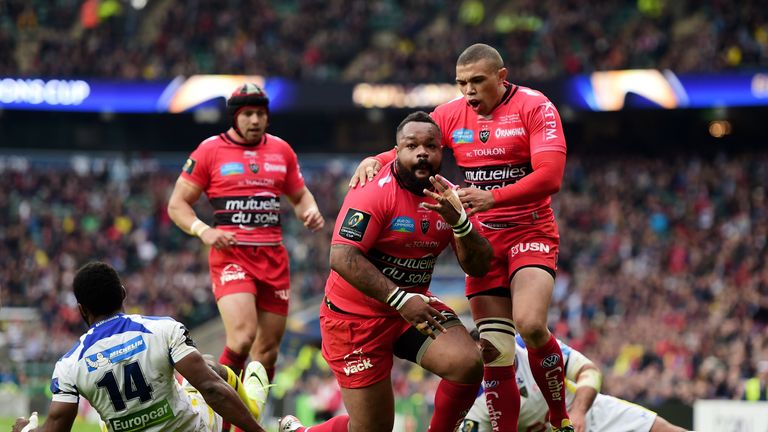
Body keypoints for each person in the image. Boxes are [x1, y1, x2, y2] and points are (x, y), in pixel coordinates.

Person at [350, 43, 572, 431]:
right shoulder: (452, 115)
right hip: (483, 240)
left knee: (531, 324)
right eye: (461, 83)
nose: (468, 91)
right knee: (495, 351)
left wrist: (493, 196)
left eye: (477, 81)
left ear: (502, 79)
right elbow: (413, 145)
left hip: (529, 232)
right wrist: (375, 159)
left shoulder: (536, 107)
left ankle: (559, 419)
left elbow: (551, 176)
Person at [280, 111, 493, 432]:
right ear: (397, 152)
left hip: (411, 312)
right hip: (355, 321)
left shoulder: (449, 197)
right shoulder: (373, 191)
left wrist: (460, 223)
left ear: (441, 152)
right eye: (412, 146)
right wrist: (401, 300)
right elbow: (341, 256)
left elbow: (479, 265)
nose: (422, 153)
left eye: (431, 146)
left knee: (467, 364)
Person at [167, 83, 325, 430]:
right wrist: (204, 231)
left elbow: (300, 196)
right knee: (241, 336)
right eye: (248, 114)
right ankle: (216, 416)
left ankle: (244, 425)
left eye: (261, 114)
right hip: (231, 256)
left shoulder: (281, 151)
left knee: (267, 351)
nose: (256, 120)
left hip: (273, 258)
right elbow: (177, 204)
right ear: (235, 117)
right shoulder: (210, 151)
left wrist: (309, 210)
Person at [12, 261, 269, 432]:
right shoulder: (163, 329)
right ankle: (253, 407)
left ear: (81, 309)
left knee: (106, 419)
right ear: (123, 294)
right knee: (211, 366)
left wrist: (24, 429)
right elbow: (212, 389)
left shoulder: (69, 364)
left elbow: (55, 428)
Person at [459, 332, 688, 432]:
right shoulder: (475, 399)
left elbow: (589, 371)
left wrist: (578, 412)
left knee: (664, 430)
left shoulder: (528, 343)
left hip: (586, 413)